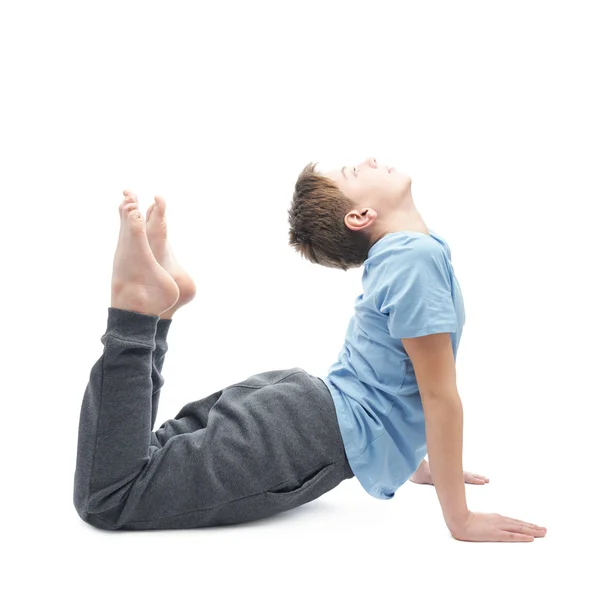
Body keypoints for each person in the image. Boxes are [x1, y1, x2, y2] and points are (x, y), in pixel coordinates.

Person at [73, 157, 547, 541]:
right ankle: (139, 312)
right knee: (110, 495)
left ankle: (155, 311)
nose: (368, 160)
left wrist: (411, 461)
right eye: (355, 173)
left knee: (135, 461)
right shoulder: (415, 261)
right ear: (359, 216)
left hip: (298, 409)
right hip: (304, 432)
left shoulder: (409, 256)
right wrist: (459, 518)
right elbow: (437, 395)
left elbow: (395, 373)